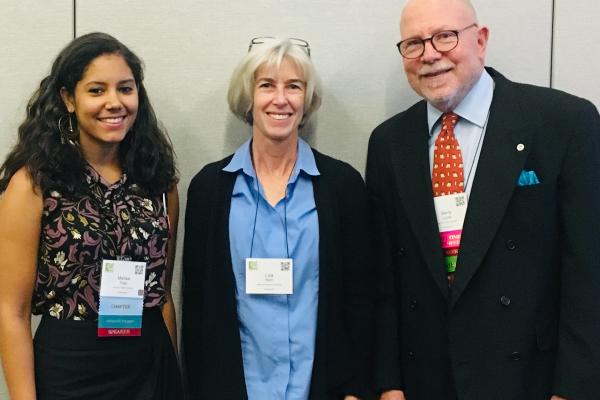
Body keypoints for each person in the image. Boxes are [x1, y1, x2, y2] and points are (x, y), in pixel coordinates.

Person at [367, 0, 600, 399]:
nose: (430, 55)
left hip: (530, 379)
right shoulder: (389, 143)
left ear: (481, 39)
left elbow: (589, 271)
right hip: (425, 379)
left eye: (445, 36)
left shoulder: (564, 123)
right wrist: (388, 384)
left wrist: (574, 389)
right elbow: (383, 278)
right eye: (414, 44)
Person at [181, 37, 373, 400]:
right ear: (248, 97)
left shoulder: (342, 186)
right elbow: (198, 308)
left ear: (307, 99)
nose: (280, 99)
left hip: (321, 389)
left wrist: (355, 387)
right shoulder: (209, 189)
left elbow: (361, 298)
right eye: (266, 85)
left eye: (294, 86)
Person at [0, 32, 183, 399]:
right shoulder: (35, 184)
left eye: (125, 89)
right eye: (97, 90)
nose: (114, 103)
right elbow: (11, 311)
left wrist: (171, 374)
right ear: (69, 98)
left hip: (147, 366)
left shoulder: (158, 183)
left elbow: (161, 295)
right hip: (71, 370)